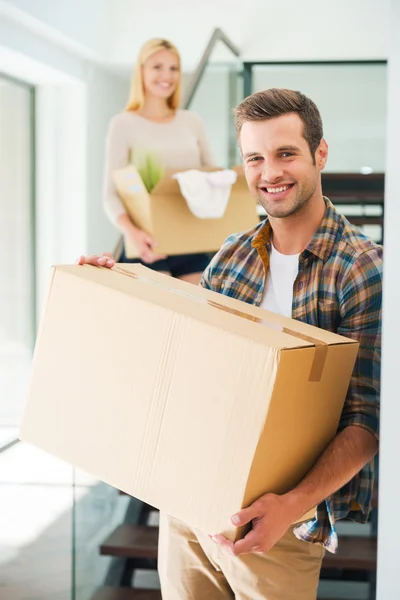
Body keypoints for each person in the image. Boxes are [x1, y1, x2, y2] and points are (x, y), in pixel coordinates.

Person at [78, 88, 382, 600]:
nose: (270, 173)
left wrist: (289, 506)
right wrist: (118, 290)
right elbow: (190, 363)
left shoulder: (363, 270)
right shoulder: (233, 255)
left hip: (279, 525)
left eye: (286, 153)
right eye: (255, 158)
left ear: (320, 153)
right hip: (190, 506)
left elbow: (367, 420)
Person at [103, 37, 214, 284]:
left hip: (190, 239)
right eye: (157, 67)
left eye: (174, 68)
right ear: (141, 71)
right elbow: (111, 194)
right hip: (145, 242)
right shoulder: (123, 124)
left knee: (199, 315)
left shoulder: (191, 121)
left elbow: (213, 175)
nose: (167, 75)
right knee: (158, 320)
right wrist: (132, 233)